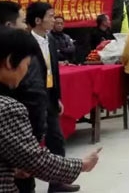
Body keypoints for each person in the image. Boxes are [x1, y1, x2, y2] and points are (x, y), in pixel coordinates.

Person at [0, 28, 102, 192]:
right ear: (10, 62)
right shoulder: (7, 108)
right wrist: (82, 165)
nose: (26, 72)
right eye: (27, 65)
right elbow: (34, 159)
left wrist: (12, 169)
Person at [25, 2, 80, 193]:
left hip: (49, 96)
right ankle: (26, 186)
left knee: (56, 139)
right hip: (31, 100)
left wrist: (57, 97)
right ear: (38, 20)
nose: (54, 19)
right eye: (50, 16)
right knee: (30, 143)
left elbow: (54, 72)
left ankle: (57, 183)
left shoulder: (50, 40)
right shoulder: (25, 43)